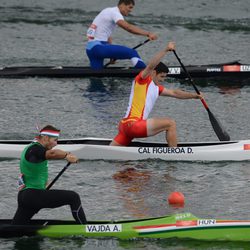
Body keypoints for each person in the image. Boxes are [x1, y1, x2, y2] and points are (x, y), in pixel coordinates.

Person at [110, 42, 203, 147]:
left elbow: (174, 93)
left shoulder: (156, 88)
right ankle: (174, 155)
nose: (163, 80)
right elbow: (151, 66)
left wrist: (194, 96)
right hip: (134, 125)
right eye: (162, 77)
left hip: (124, 127)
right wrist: (165, 50)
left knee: (111, 154)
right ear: (154, 73)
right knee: (170, 124)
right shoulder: (142, 80)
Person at [12, 125, 87, 225]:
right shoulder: (35, 149)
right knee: (73, 197)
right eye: (55, 140)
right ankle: (85, 227)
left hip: (25, 196)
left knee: (16, 229)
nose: (56, 144)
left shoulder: (31, 149)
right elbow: (52, 154)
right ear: (46, 138)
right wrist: (66, 155)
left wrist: (45, 183)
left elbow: (35, 171)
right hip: (33, 195)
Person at [86, 0, 157, 70]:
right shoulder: (115, 13)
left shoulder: (107, 11)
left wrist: (111, 55)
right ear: (122, 5)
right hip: (99, 48)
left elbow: (107, 36)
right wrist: (148, 33)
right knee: (132, 53)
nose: (131, 10)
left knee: (97, 75)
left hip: (90, 49)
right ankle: (147, 73)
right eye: (130, 7)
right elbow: (128, 28)